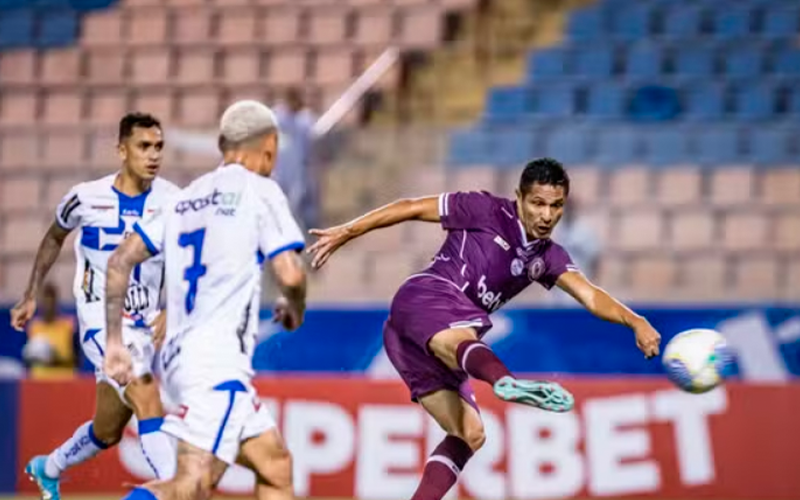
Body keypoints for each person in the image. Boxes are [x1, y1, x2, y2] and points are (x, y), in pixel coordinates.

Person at [307, 157, 662, 500]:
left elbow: (590, 295)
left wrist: (635, 320)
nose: (546, 215)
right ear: (519, 197)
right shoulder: (483, 209)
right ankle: (504, 380)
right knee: (462, 333)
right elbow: (411, 207)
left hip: (409, 341)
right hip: (426, 296)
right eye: (538, 203)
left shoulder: (548, 257)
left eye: (556, 206)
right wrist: (348, 231)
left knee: (470, 433)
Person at [103, 100, 307, 500]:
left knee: (275, 466)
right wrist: (295, 308)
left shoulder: (181, 199)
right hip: (217, 363)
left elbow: (119, 261)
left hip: (180, 358)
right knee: (192, 484)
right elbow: (291, 274)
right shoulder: (259, 189)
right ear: (269, 147)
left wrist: (114, 341)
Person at [11, 113, 180, 499]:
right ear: (122, 150)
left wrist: (171, 308)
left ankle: (48, 467)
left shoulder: (173, 201)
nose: (153, 155)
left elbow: (185, 256)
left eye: (158, 146)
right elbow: (54, 237)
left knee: (107, 429)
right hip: (99, 322)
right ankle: (176, 488)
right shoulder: (85, 197)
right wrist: (31, 292)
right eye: (143, 146)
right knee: (146, 394)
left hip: (143, 325)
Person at [22, 282, 77, 380]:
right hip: (39, 380)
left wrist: (54, 357)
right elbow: (27, 360)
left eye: (51, 302)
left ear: (56, 302)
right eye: (46, 302)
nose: (48, 306)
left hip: (63, 379)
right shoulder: (34, 327)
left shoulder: (68, 326)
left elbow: (77, 360)